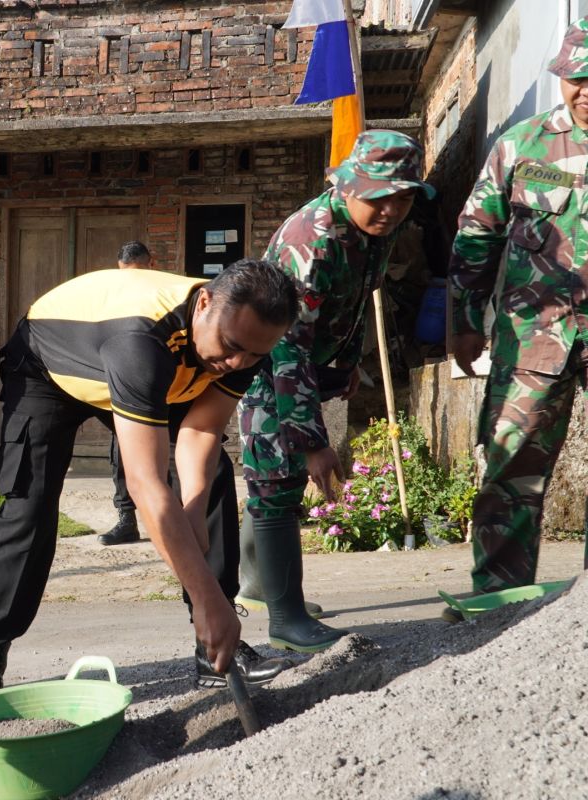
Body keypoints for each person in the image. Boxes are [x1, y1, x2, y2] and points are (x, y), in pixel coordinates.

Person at [0, 260, 300, 698]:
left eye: (254, 355)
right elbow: (146, 487)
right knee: (31, 506)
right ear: (203, 304)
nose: (236, 363)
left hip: (146, 371)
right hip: (48, 368)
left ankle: (214, 648)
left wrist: (194, 511)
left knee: (211, 476)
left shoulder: (247, 337)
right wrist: (203, 596)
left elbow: (201, 431)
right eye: (231, 347)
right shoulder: (141, 342)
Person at [240, 130, 434, 652]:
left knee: (270, 478)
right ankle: (286, 621)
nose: (392, 208)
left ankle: (258, 583)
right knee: (277, 481)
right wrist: (312, 441)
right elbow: (286, 347)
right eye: (379, 194)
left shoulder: (374, 229)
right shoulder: (314, 241)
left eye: (404, 195)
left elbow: (357, 301)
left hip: (309, 359)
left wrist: (349, 363)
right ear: (350, 185)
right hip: (265, 361)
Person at [448, 19, 588, 598]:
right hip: (534, 339)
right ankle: (495, 601)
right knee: (510, 470)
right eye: (573, 78)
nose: (583, 90)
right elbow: (477, 234)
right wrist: (462, 320)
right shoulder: (521, 146)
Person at [99, 240, 159, 547]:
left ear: (152, 264)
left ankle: (179, 518)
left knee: (170, 454)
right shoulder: (112, 296)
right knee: (120, 451)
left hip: (163, 384)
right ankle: (127, 520)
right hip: (124, 382)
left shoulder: (164, 293)